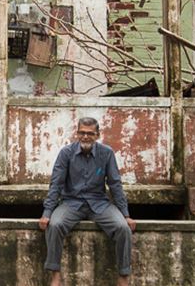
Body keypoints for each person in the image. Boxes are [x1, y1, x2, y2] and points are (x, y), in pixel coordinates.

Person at [38, 117, 135, 286]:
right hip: (71, 203)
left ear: (97, 135)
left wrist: (126, 215)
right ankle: (55, 276)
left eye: (90, 133)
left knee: (122, 228)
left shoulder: (106, 153)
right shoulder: (66, 153)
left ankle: (123, 277)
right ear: (77, 134)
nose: (85, 136)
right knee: (55, 225)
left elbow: (115, 184)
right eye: (82, 132)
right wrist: (47, 213)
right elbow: (56, 184)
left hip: (99, 203)